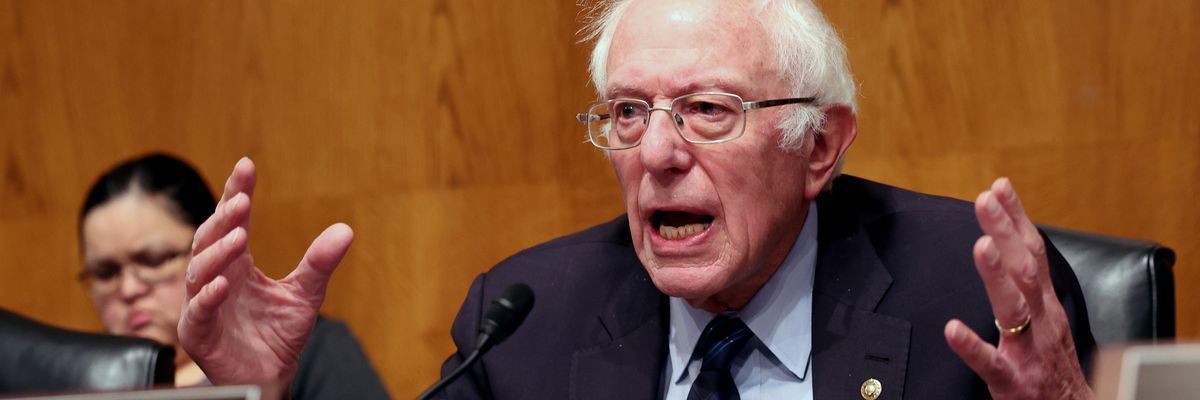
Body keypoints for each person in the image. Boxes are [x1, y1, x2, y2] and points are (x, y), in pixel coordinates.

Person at [178, 0, 1097, 399]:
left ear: (819, 146)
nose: (656, 152)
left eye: (706, 109)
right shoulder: (528, 325)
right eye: (627, 112)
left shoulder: (972, 297)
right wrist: (263, 396)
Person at [78, 153, 389, 398]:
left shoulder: (305, 350)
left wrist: (269, 391)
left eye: (154, 260)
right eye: (105, 273)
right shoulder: (79, 381)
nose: (129, 289)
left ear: (209, 249)